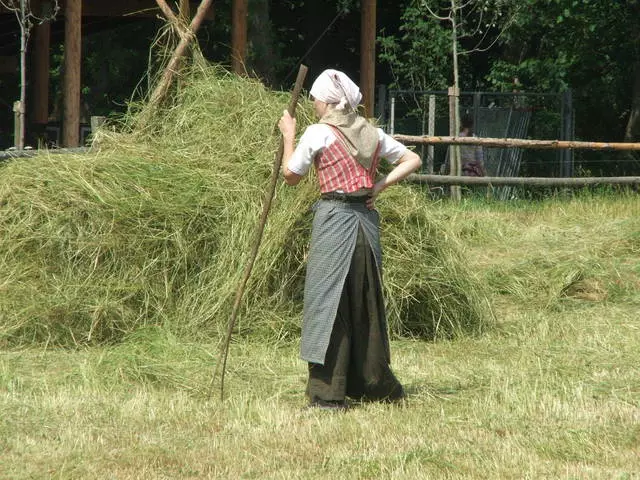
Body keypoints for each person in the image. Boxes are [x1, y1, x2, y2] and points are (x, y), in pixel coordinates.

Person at [278, 69, 422, 411]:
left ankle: (329, 395)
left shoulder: (317, 132)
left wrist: (288, 135)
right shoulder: (371, 132)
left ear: (327, 101)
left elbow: (290, 176)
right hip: (366, 227)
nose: (313, 103)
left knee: (329, 304)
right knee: (363, 303)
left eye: (315, 98)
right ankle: (373, 385)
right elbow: (412, 159)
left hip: (334, 222)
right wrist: (379, 185)